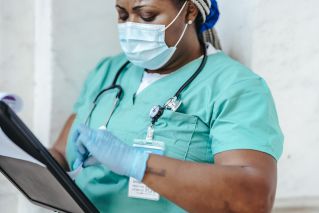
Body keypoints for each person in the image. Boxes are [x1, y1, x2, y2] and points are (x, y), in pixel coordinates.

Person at [50, 0, 284, 212]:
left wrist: (135, 162)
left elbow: (253, 199)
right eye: (122, 15)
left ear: (189, 11)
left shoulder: (234, 87)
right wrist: (19, 145)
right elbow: (60, 153)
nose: (131, 26)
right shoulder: (109, 71)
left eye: (147, 16)